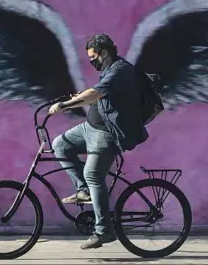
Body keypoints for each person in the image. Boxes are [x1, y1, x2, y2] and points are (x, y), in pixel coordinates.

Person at [49, 34, 149, 249]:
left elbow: (95, 93)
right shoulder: (109, 70)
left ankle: (104, 230)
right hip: (90, 128)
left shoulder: (121, 69)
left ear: (104, 52)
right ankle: (83, 190)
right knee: (60, 145)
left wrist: (66, 104)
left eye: (93, 57)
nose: (92, 61)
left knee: (93, 173)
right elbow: (98, 92)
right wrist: (79, 96)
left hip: (108, 133)